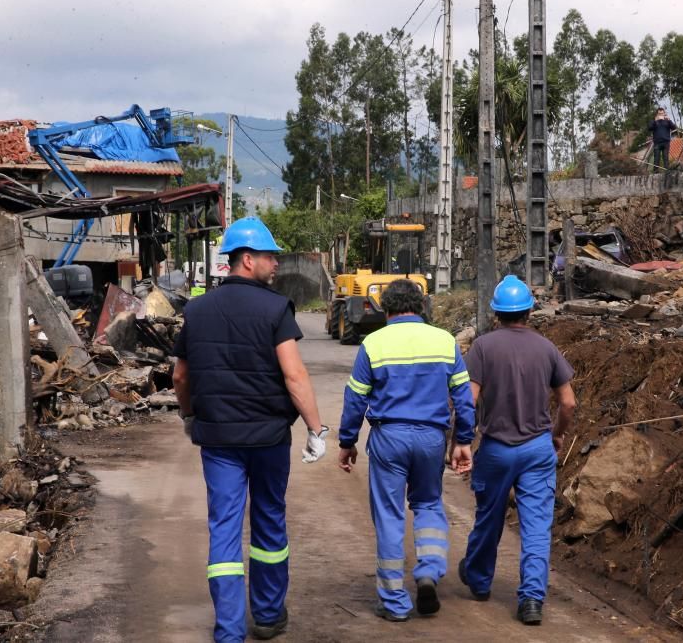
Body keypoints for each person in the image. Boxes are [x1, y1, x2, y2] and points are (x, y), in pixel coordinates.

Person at [172, 216, 329, 643]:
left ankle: (228, 631)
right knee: (268, 524)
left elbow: (181, 378)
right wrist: (316, 428)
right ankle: (268, 614)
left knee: (223, 527)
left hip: (219, 439)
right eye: (269, 256)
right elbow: (294, 376)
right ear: (246, 259)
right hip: (268, 439)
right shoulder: (276, 308)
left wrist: (189, 416)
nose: (275, 263)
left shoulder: (197, 309)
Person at [337, 279, 476, 622]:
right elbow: (463, 398)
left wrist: (346, 441)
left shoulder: (373, 343)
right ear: (421, 306)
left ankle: (395, 602)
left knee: (389, 515)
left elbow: (355, 399)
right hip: (431, 437)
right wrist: (463, 440)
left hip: (389, 437)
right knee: (428, 503)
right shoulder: (444, 341)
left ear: (387, 310)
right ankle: (429, 570)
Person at [458, 275, 577, 627]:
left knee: (489, 516)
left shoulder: (482, 348)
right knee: (537, 526)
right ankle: (531, 601)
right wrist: (556, 435)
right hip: (537, 448)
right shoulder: (547, 348)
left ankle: (479, 581)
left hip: (496, 448)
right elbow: (568, 403)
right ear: (529, 311)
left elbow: (469, 400)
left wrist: (462, 439)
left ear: (497, 313)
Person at [648, 106, 677, 172]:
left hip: (666, 142)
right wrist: (655, 121)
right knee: (656, 158)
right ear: (657, 114)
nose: (661, 115)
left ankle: (667, 171)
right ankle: (655, 171)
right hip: (657, 142)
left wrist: (669, 120)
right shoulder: (654, 121)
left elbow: (674, 127)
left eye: (662, 113)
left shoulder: (667, 121)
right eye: (659, 114)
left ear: (664, 114)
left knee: (665, 157)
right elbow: (649, 128)